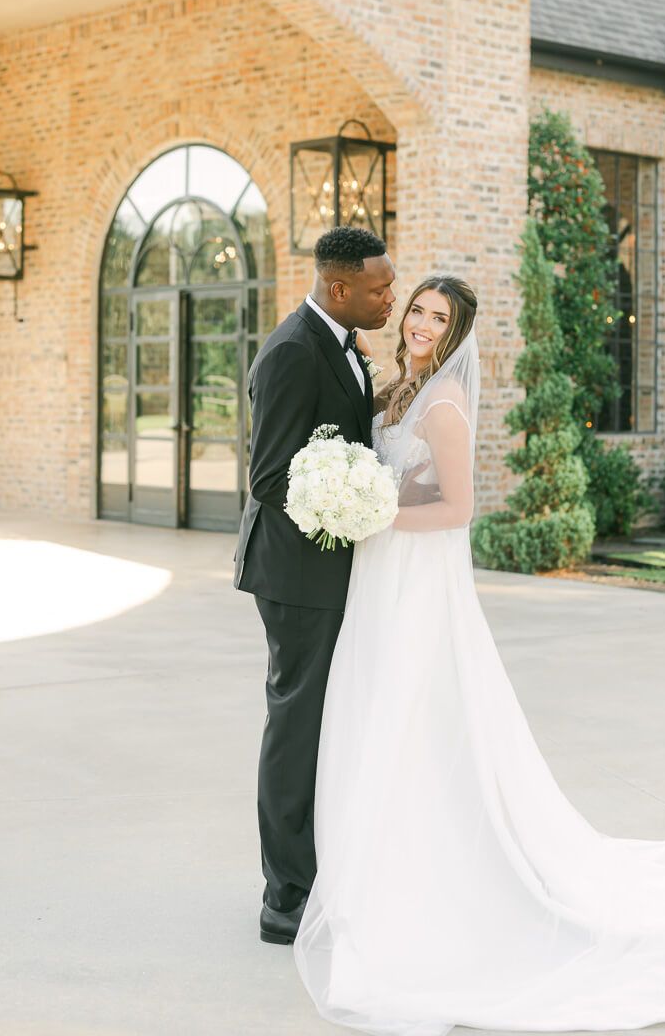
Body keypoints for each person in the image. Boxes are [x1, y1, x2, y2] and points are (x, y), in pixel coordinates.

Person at [293, 273, 665, 1035]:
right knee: (381, 709)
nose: (421, 324)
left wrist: (371, 512)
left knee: (416, 713)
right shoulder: (402, 388)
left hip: (414, 579)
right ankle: (380, 869)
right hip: (382, 579)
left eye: (439, 318)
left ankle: (426, 876)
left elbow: (459, 507)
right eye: (417, 311)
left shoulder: (442, 402)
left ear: (456, 331)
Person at [234, 225, 396, 946]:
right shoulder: (294, 351)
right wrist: (356, 501)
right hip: (298, 575)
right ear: (339, 290)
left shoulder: (342, 341)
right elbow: (270, 478)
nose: (389, 297)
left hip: (333, 567)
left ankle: (325, 869)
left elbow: (340, 431)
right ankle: (285, 897)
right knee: (296, 726)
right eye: (378, 289)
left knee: (327, 722)